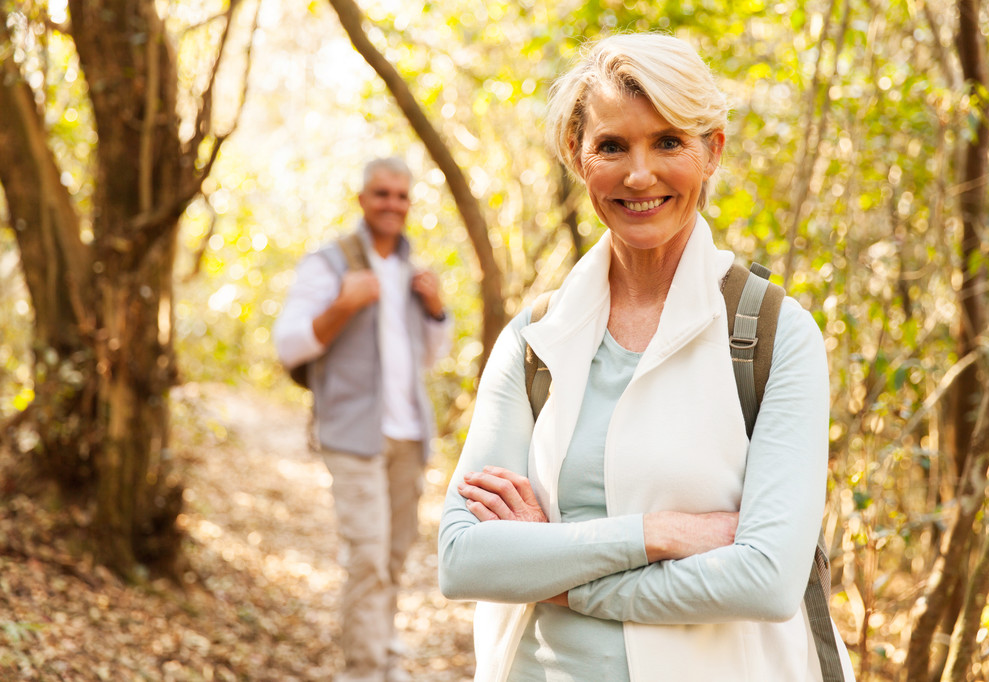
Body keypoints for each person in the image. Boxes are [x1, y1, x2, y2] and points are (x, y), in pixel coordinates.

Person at [437, 33, 856, 681]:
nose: (638, 174)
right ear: (580, 161)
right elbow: (465, 560)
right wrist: (660, 532)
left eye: (667, 142)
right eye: (611, 146)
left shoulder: (774, 334)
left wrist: (557, 573)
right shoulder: (534, 339)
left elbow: (767, 581)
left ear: (711, 150)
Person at [274, 156, 451, 682]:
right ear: (362, 200)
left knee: (393, 561)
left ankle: (385, 655)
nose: (392, 204)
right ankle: (365, 671)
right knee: (368, 559)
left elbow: (429, 357)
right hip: (353, 434)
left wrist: (438, 309)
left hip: (409, 434)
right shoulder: (327, 265)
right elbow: (288, 346)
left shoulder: (413, 270)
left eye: (401, 196)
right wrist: (343, 306)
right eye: (381, 194)